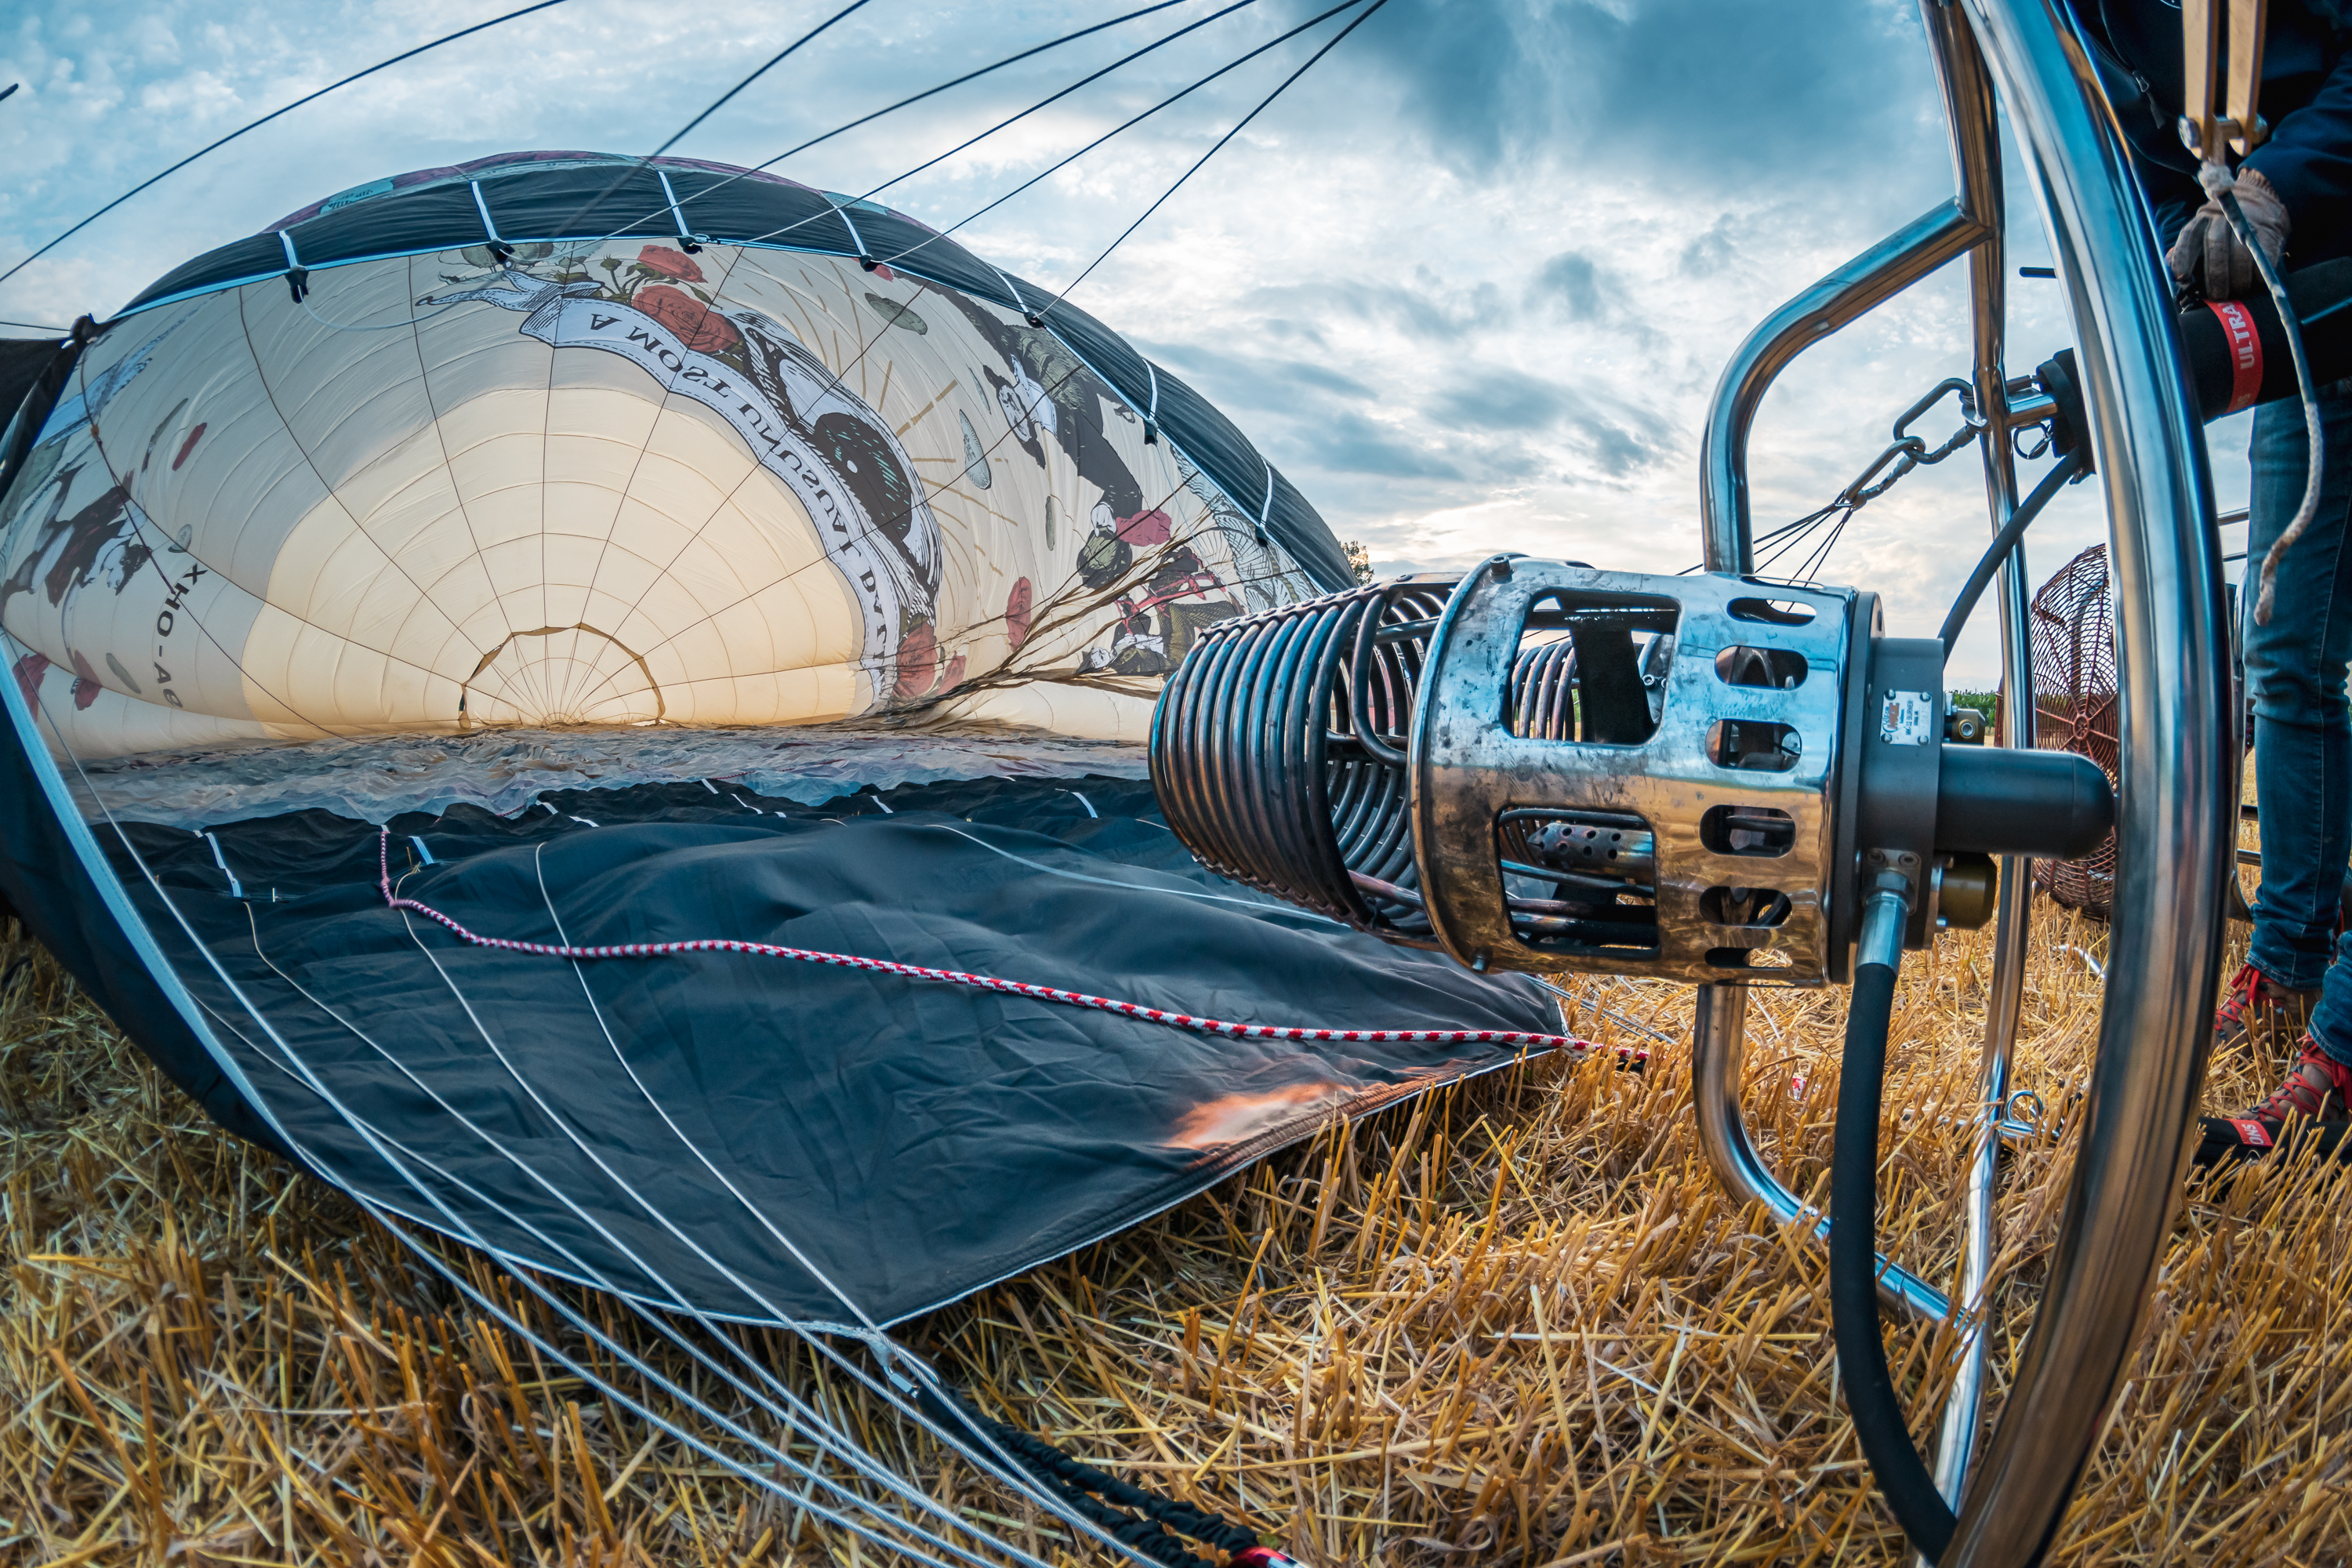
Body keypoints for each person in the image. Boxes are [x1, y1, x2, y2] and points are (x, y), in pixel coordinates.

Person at [2080, 1, 2352, 1131]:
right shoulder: (2098, 15)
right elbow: (2133, 140)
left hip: (2320, 229)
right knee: (2284, 647)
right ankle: (2287, 963)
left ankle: (2343, 1048)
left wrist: (2281, 183)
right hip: (2303, 318)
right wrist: (2173, 265)